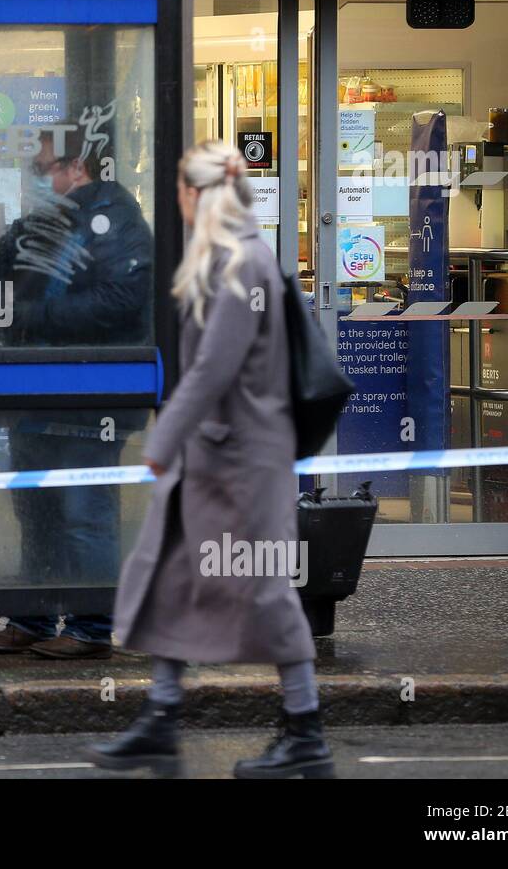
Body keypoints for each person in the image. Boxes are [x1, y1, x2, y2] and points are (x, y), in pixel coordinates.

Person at [85, 140, 333, 778]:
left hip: (246, 464)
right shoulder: (229, 258)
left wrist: (159, 446)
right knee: (172, 578)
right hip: (219, 458)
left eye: (179, 189)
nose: (176, 201)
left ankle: (304, 729)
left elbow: (210, 371)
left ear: (196, 194)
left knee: (268, 589)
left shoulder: (240, 264)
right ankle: (162, 718)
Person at [0, 129, 153, 660]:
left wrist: (33, 317)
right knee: (37, 510)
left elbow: (123, 297)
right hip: (34, 391)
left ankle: (92, 626)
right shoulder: (49, 218)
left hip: (89, 394)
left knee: (83, 511)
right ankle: (33, 616)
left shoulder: (115, 218)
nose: (37, 178)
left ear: (78, 166)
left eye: (43, 168)